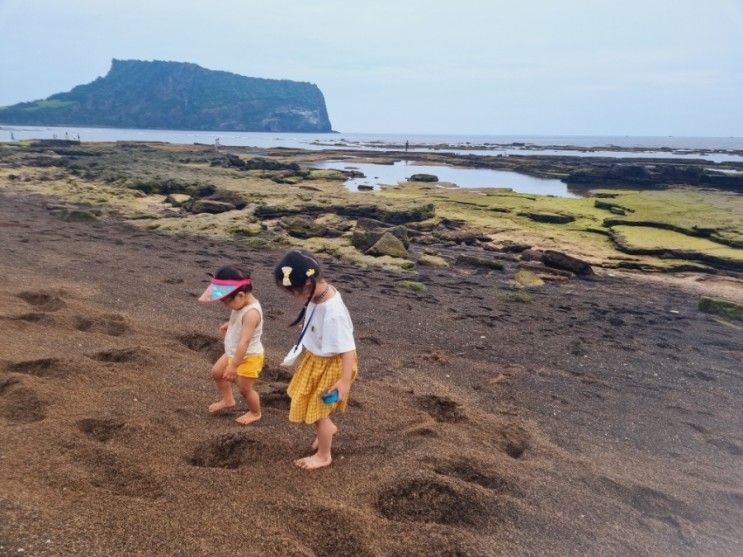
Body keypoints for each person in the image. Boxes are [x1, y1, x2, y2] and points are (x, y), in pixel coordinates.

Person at [274, 250, 358, 469]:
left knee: (318, 409)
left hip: (332, 365)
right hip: (315, 359)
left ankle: (324, 454)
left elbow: (348, 349)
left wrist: (345, 381)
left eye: (293, 292)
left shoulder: (333, 311)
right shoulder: (319, 294)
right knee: (306, 397)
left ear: (308, 284)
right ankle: (326, 431)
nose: (292, 296)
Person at [198, 265, 264, 425]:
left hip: (248, 356)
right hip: (234, 351)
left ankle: (255, 412)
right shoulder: (241, 303)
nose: (225, 305)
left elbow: (245, 341)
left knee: (245, 389)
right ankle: (228, 400)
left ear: (240, 295)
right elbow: (239, 318)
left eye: (226, 302)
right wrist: (231, 324)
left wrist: (234, 366)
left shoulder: (252, 313)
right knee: (217, 372)